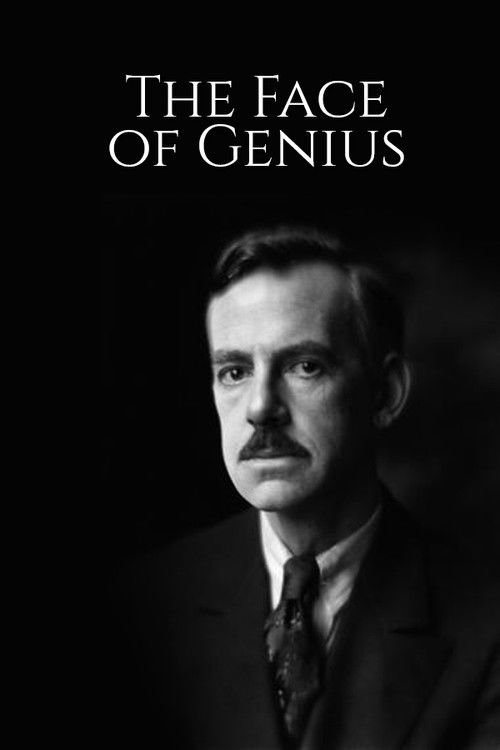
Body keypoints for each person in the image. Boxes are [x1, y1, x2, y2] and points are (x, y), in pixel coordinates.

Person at [110, 226, 499, 749]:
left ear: (385, 394)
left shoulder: (485, 626)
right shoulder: (139, 607)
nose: (260, 408)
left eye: (304, 366)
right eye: (234, 372)